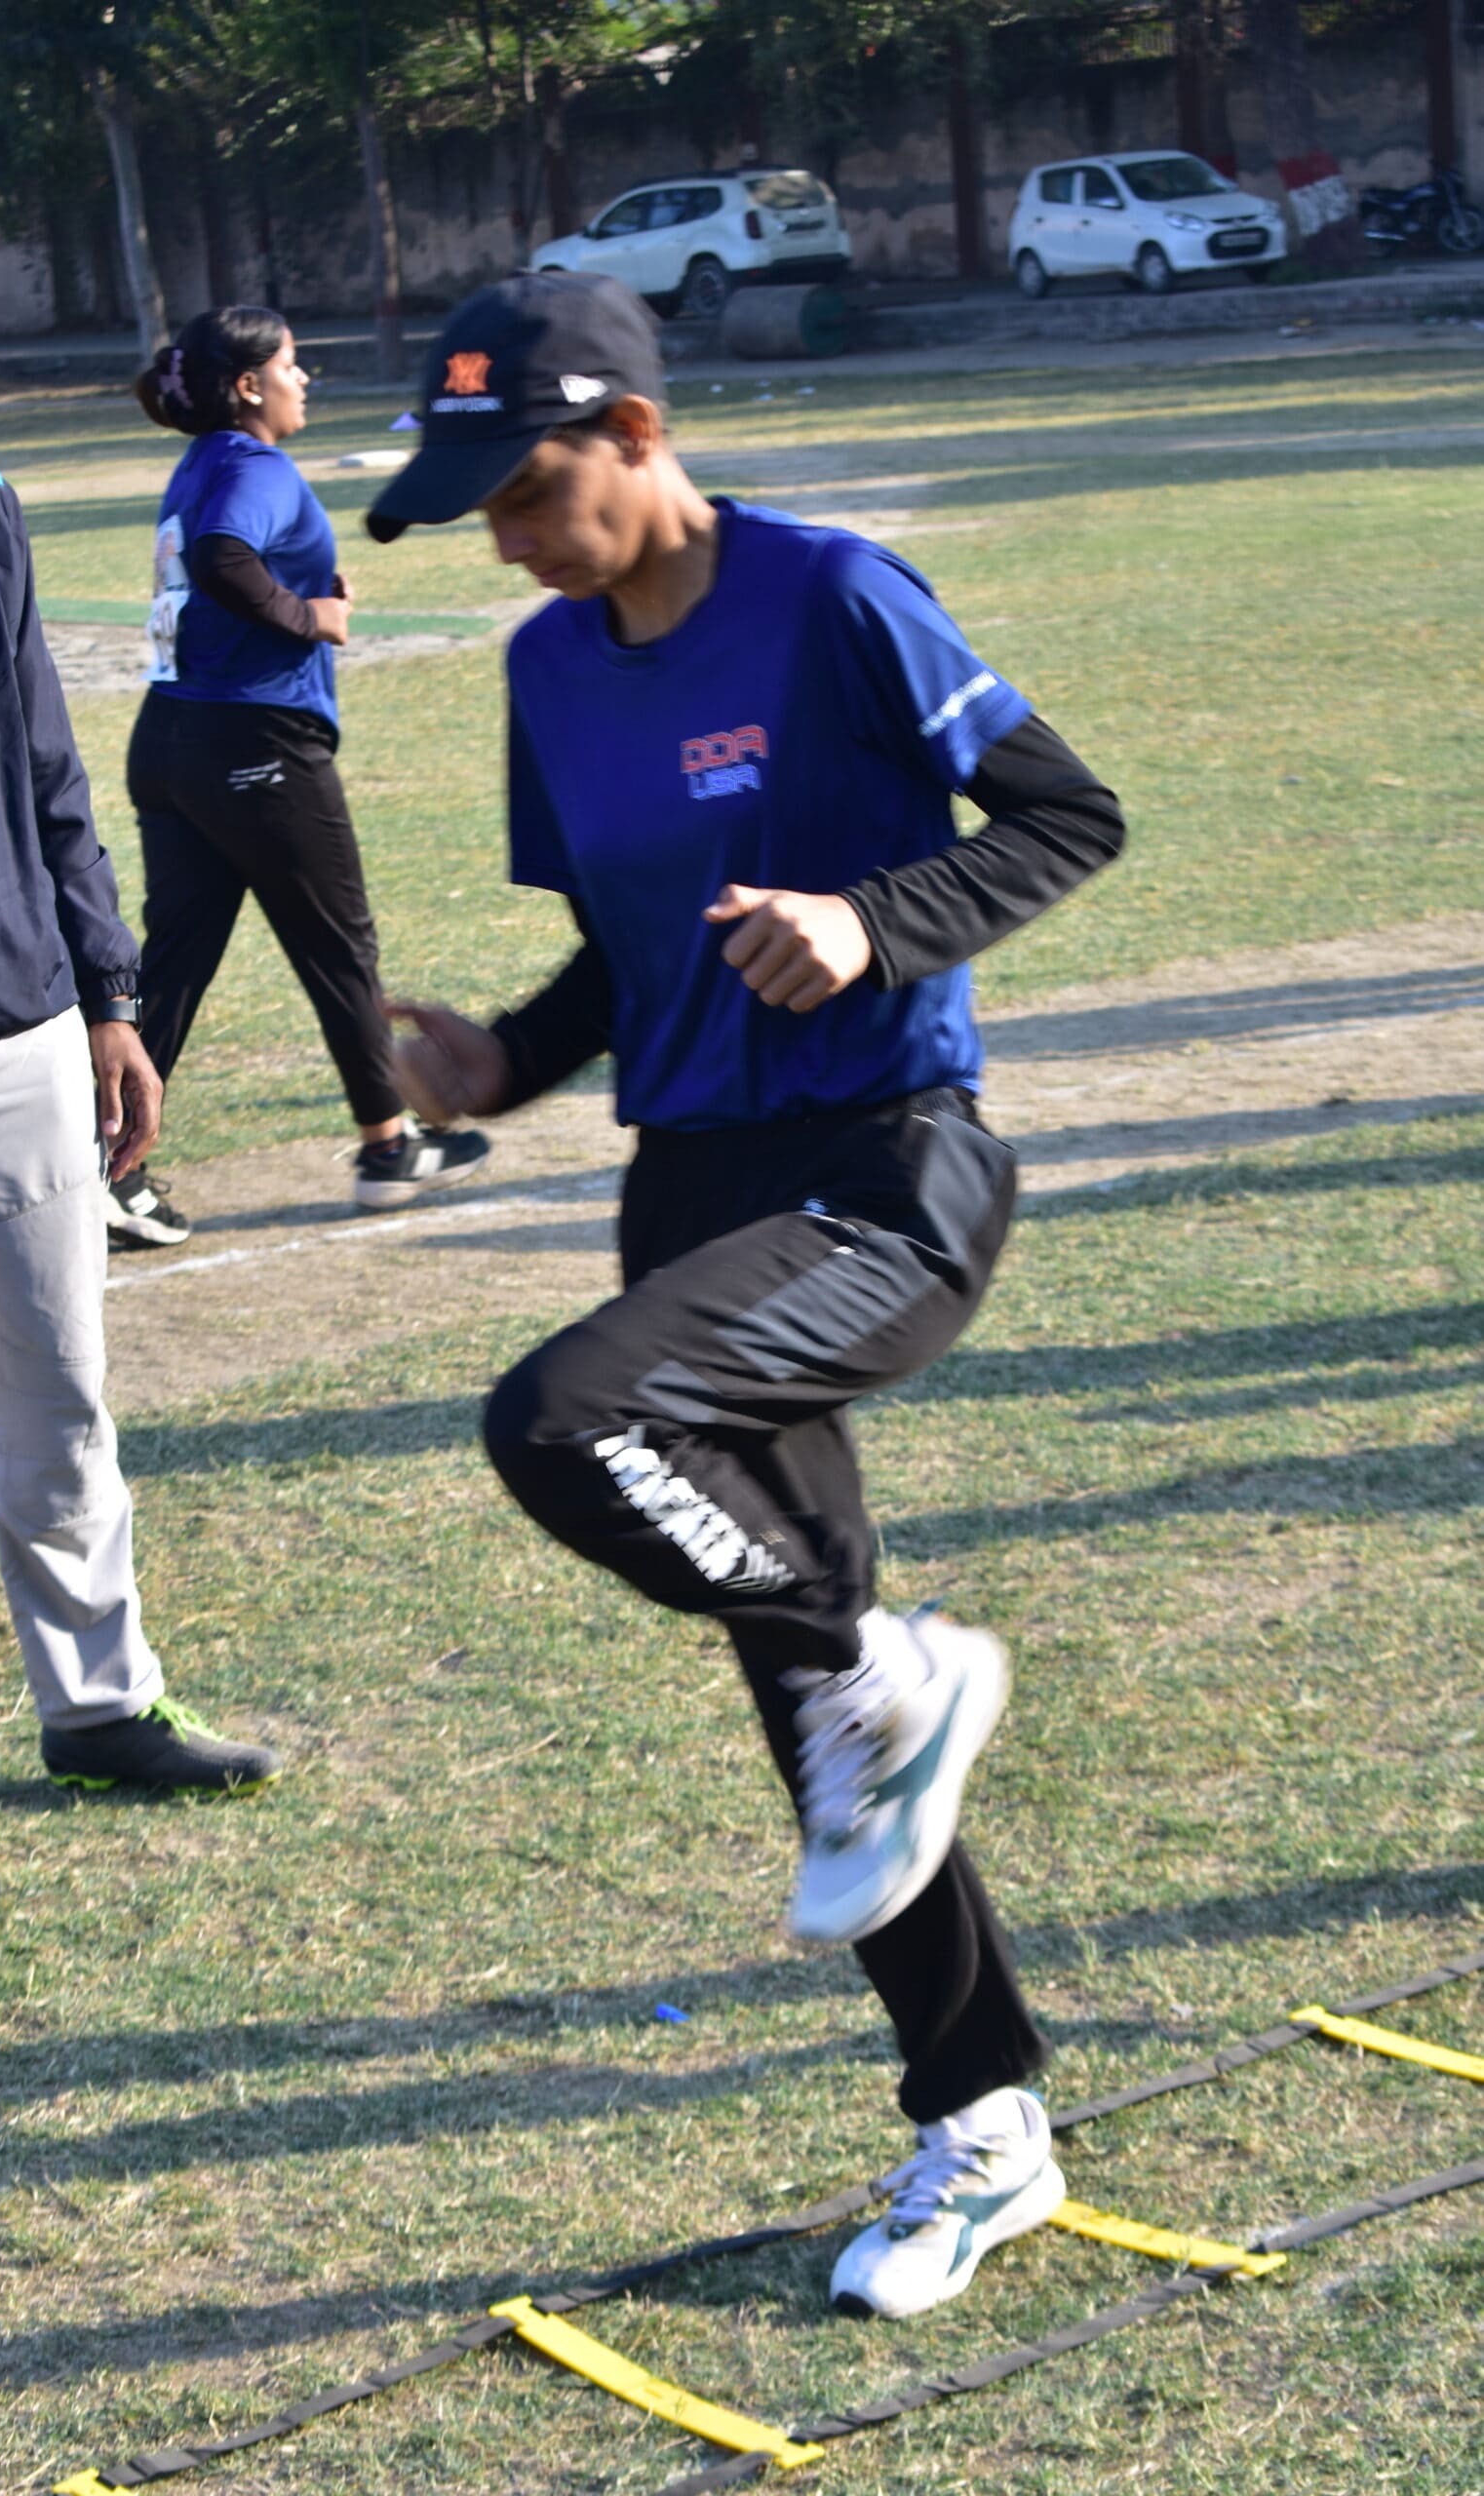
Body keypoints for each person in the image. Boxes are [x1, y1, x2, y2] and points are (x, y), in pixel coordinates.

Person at [368, 272, 1126, 2319]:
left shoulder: (835, 593)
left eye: (527, 490)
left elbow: (1068, 812)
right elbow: (629, 960)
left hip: (887, 1164)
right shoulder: (548, 669)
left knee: (566, 1423)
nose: (512, 541)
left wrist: (867, 921)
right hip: (687, 1191)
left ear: (632, 431)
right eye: (480, 512)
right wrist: (499, 1066)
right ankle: (984, 2124)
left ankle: (883, 1667)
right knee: (836, 1733)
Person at [0, 162, 283, 1937]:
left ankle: (102, 1704)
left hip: (14, 1021)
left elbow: (42, 766)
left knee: (62, 1392)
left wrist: (107, 994)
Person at [116, 305, 490, 1247]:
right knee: (337, 946)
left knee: (177, 963)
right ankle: (387, 1147)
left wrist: (307, 601)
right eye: (293, 363)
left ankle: (103, 1169)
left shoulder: (203, 460)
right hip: (254, 746)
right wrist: (310, 618)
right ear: (248, 384)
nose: (305, 378)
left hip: (173, 740)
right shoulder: (253, 466)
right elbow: (222, 560)